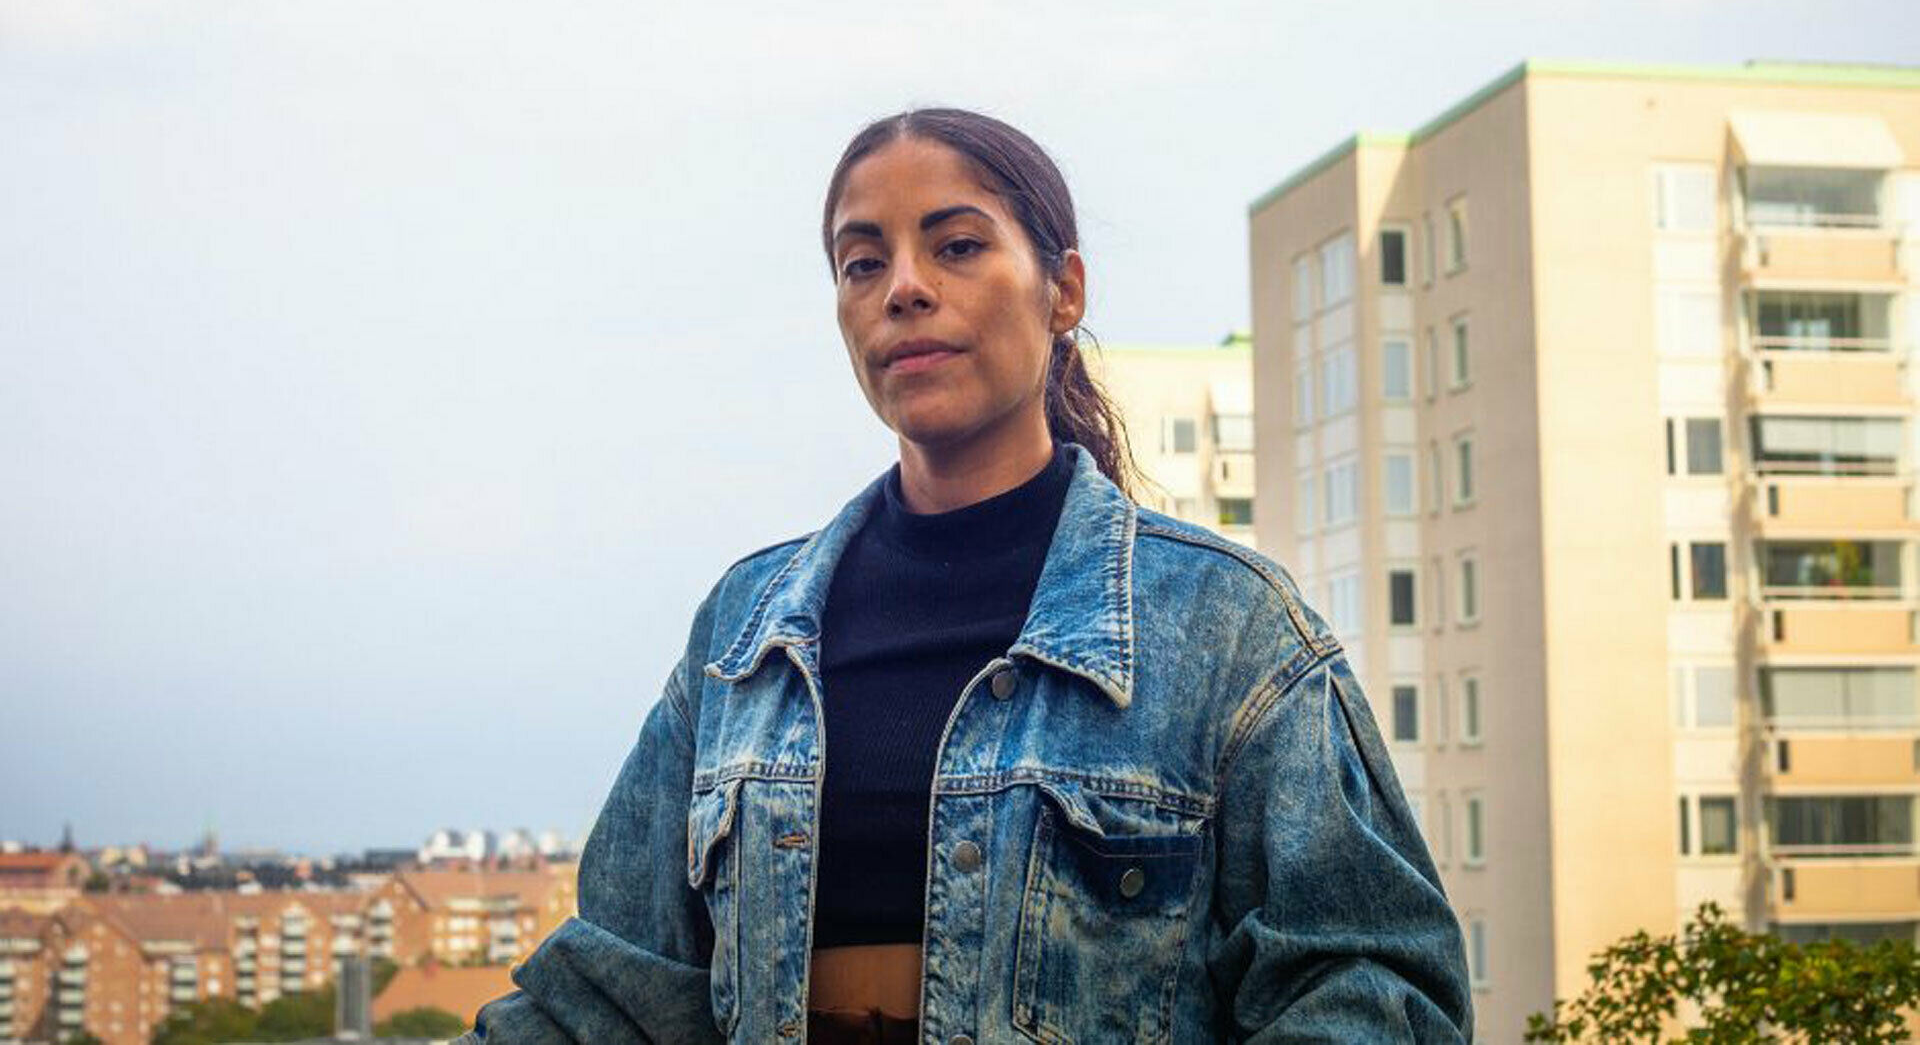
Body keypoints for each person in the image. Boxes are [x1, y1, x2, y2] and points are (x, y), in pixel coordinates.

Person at [462, 108, 1472, 1044]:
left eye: (955, 245)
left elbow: (1374, 988)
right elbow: (608, 996)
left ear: (1063, 290)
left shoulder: (1229, 626)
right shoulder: (743, 633)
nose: (902, 287)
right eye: (862, 262)